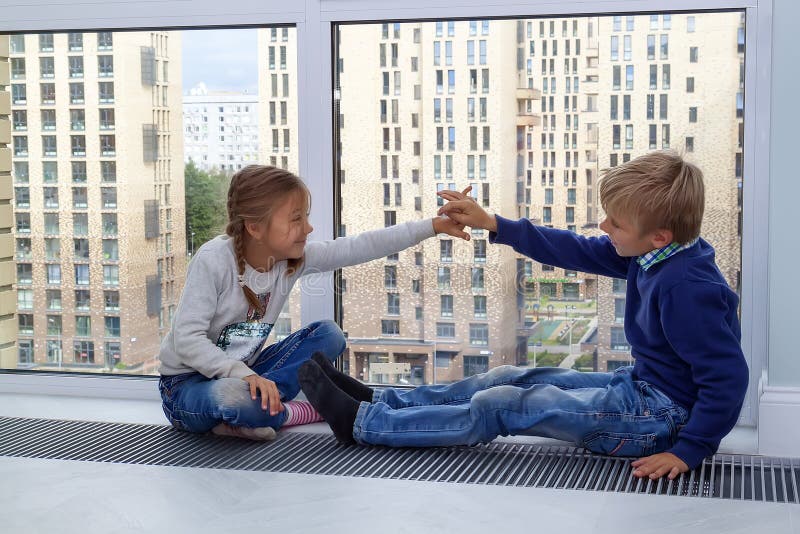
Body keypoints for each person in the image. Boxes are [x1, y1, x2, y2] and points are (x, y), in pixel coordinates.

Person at [299, 151, 749, 480]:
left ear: (659, 236)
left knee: (503, 405)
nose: (604, 228)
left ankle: (364, 424)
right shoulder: (656, 254)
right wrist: (494, 223)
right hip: (640, 389)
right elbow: (574, 248)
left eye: (615, 223)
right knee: (508, 376)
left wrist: (691, 450)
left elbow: (727, 378)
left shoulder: (687, 288)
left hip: (659, 422)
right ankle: (382, 401)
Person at [158, 165, 469, 440]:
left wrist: (433, 226)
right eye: (296, 219)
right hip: (187, 386)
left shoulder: (291, 258)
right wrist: (243, 376)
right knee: (232, 398)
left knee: (328, 334)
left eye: (305, 217)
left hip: (247, 375)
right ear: (254, 227)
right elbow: (187, 339)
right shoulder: (213, 261)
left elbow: (360, 246)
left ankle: (257, 413)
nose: (308, 228)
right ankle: (297, 412)